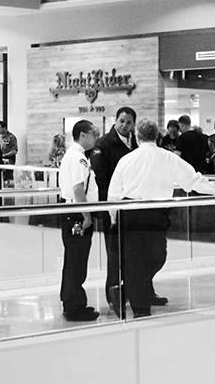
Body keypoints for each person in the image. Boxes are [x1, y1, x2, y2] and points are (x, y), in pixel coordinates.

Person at [108, 118, 215, 318]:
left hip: (131, 213)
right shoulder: (167, 158)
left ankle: (125, 291)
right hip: (154, 213)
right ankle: (141, 309)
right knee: (155, 257)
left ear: (138, 136)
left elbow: (113, 193)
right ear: (157, 136)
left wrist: (114, 218)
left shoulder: (127, 159)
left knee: (142, 260)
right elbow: (194, 179)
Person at [90, 106, 138, 308]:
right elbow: (101, 178)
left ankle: (138, 290)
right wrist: (110, 205)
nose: (124, 125)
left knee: (136, 251)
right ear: (115, 120)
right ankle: (113, 294)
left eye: (128, 122)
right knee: (114, 253)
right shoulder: (104, 144)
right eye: (122, 121)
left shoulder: (136, 142)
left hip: (133, 205)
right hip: (113, 207)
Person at [57, 119, 100, 322]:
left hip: (72, 211)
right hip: (77, 214)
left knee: (73, 259)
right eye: (94, 134)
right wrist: (86, 216)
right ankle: (74, 305)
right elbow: (78, 189)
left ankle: (70, 299)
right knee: (77, 260)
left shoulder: (73, 156)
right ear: (83, 135)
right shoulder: (77, 158)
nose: (96, 138)